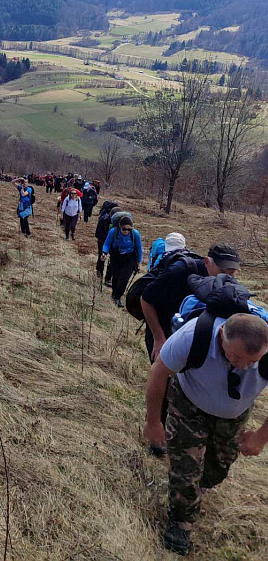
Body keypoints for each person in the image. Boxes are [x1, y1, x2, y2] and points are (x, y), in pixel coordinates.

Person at [144, 313, 268, 556]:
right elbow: (158, 373)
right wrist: (153, 422)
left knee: (218, 468)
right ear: (222, 335)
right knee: (186, 469)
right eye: (236, 357)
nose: (243, 366)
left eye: (252, 362)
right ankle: (180, 524)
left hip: (233, 416)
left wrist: (261, 437)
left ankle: (195, 490)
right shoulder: (192, 337)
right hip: (188, 405)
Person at [141, 244, 241, 363]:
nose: (227, 277)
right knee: (163, 374)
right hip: (163, 329)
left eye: (231, 273)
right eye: (222, 271)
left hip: (193, 334)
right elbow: (146, 299)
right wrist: (158, 339)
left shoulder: (227, 284)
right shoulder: (180, 271)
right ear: (207, 261)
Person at [101, 216, 142, 307]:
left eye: (129, 229)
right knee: (116, 277)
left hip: (130, 257)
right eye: (124, 229)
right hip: (116, 256)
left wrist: (139, 262)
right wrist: (104, 253)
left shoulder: (135, 234)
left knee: (124, 278)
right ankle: (114, 294)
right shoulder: (113, 232)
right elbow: (107, 244)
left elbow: (139, 248)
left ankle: (117, 297)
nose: (126, 231)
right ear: (120, 226)